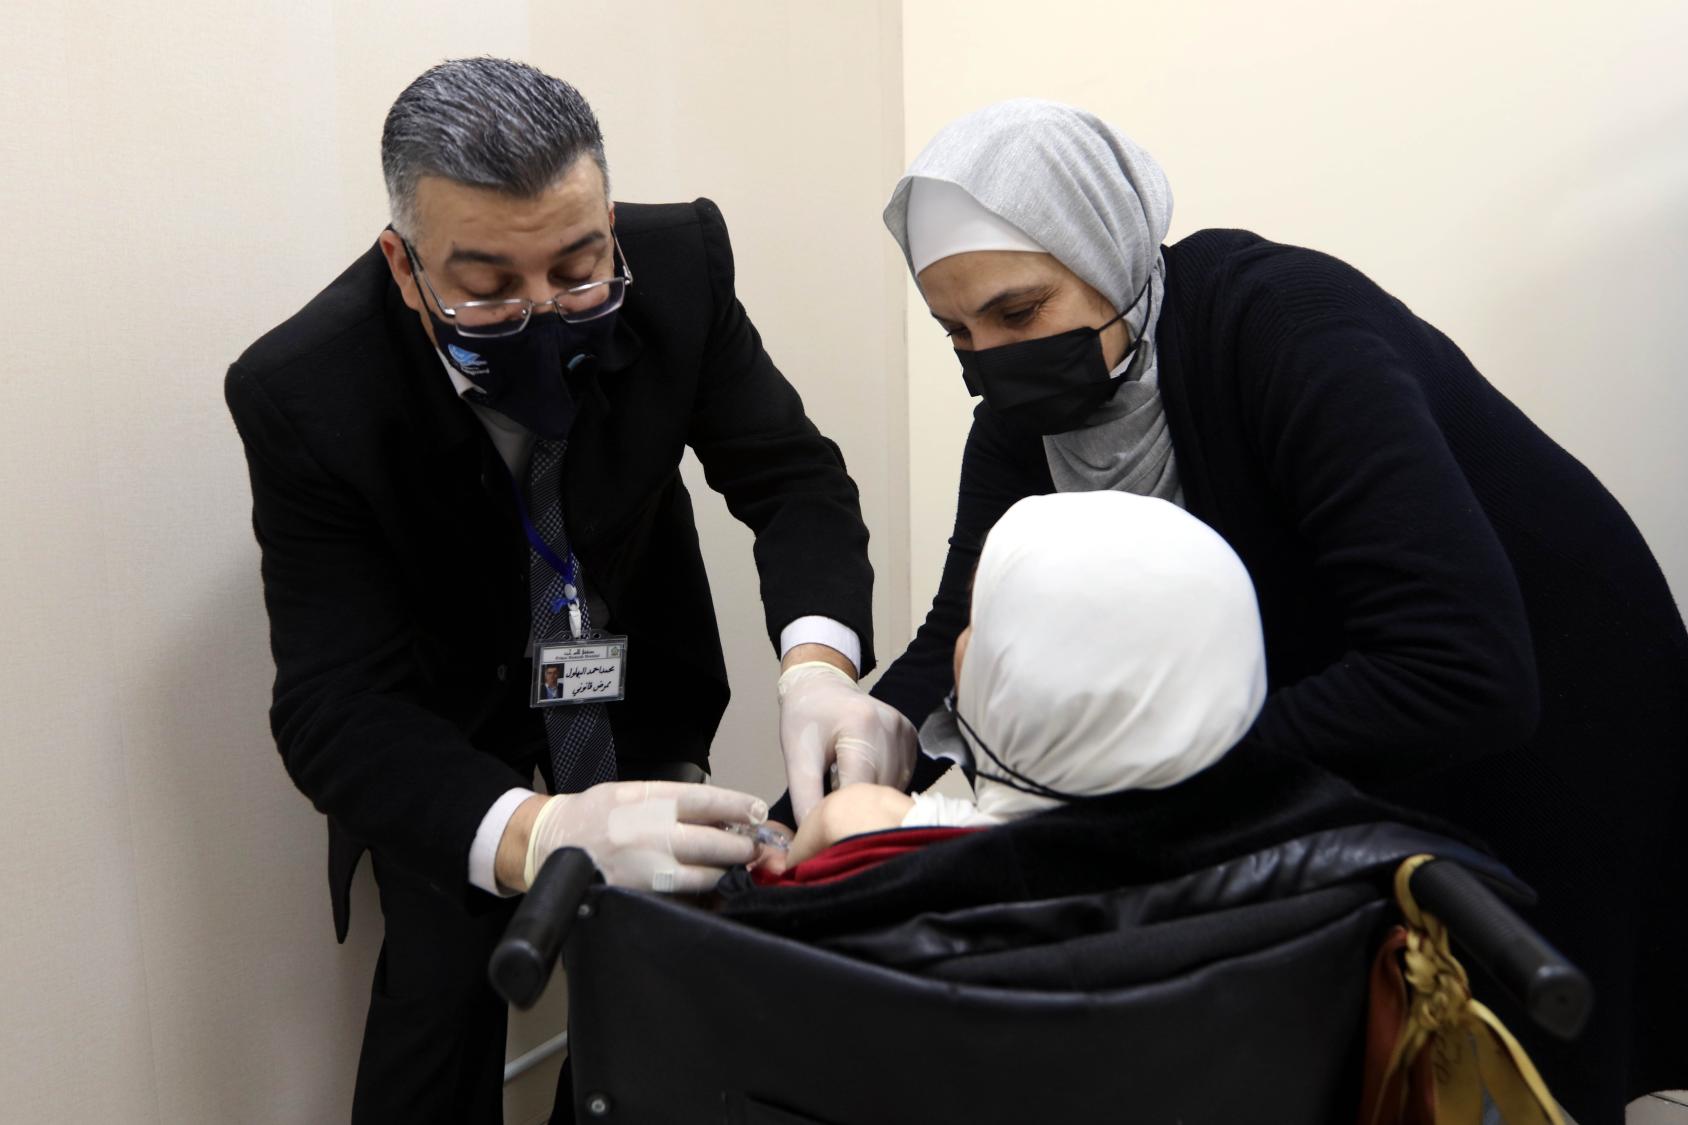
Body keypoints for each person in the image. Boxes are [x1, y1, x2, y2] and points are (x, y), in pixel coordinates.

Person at [867, 98, 1688, 1123]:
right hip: (1354, 705)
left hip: (1546, 694)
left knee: (1515, 1064)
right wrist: (865, 731)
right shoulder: (1026, 418)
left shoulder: (1288, 327)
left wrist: (1137, 778)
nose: (988, 356)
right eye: (955, 331)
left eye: (1018, 312)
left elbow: (1456, 672)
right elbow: (957, 628)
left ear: (1105, 249)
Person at [225, 58, 913, 1124]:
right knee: (439, 990)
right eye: (489, 285)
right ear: (404, 268)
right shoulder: (305, 390)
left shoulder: (678, 263)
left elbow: (793, 483)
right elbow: (333, 708)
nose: (545, 309)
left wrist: (817, 666)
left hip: (632, 676)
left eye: (578, 270)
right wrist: (541, 834)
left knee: (640, 982)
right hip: (441, 724)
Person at [777, 489, 1266, 872]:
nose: (960, 644)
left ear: (1024, 682)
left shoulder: (864, 831)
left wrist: (819, 824)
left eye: (977, 620)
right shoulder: (1291, 864)